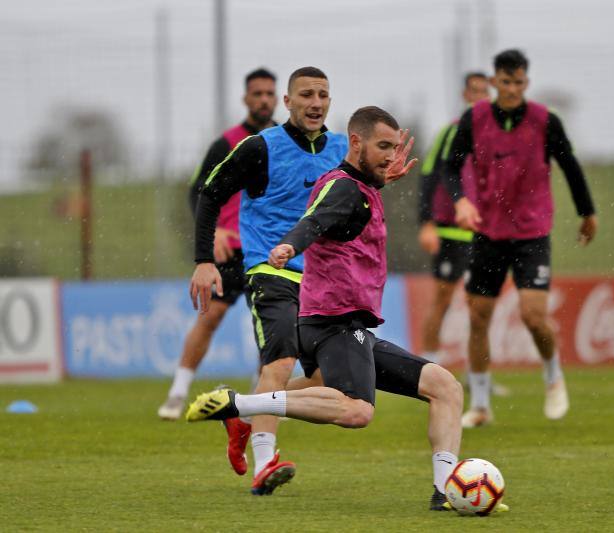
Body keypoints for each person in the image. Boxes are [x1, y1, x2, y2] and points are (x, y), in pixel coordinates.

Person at [186, 106, 504, 513]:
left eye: (393, 147)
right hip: (334, 323)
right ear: (356, 143)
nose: (391, 155)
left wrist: (381, 179)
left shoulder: (358, 185)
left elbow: (343, 206)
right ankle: (240, 405)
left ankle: (447, 492)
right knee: (356, 411)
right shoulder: (344, 188)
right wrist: (291, 245)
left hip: (349, 324)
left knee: (445, 387)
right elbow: (316, 220)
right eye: (383, 146)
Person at [189, 66, 349, 495]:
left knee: (323, 382)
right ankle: (265, 462)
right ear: (288, 102)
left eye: (323, 94)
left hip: (322, 281)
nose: (316, 102)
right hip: (270, 272)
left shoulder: (342, 148)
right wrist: (204, 259)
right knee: (278, 363)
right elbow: (209, 193)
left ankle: (243, 416)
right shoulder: (260, 147)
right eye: (306, 95)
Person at [445, 49, 598, 428]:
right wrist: (461, 201)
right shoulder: (475, 119)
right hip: (488, 232)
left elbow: (570, 166)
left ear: (526, 83)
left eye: (518, 82)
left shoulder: (545, 121)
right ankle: (480, 404)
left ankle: (553, 375)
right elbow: (451, 165)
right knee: (479, 317)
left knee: (533, 315)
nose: (511, 88)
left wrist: (587, 212)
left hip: (531, 233)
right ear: (494, 82)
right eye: (505, 81)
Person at [158, 68, 278, 422]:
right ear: (245, 99)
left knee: (269, 329)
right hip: (232, 249)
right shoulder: (227, 143)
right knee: (209, 318)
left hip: (269, 250)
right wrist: (214, 234)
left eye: (269, 93)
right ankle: (178, 392)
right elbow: (199, 192)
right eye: (257, 93)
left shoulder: (284, 141)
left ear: (278, 98)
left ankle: (261, 398)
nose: (263, 100)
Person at [417, 72, 489, 366]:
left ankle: (478, 375)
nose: (480, 97)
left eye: (485, 92)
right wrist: (426, 223)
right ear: (465, 95)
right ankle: (428, 368)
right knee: (443, 302)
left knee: (481, 307)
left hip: (484, 235)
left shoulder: (496, 138)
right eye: (475, 91)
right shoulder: (451, 133)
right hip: (450, 232)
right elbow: (430, 175)